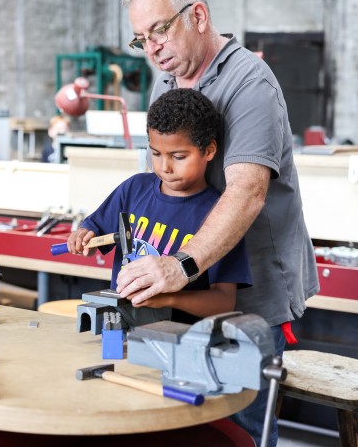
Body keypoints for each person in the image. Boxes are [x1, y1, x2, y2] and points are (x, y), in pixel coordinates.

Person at [117, 0, 319, 446]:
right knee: (182, 423)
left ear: (199, 16)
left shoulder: (250, 83)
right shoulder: (165, 83)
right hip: (191, 287)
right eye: (140, 39)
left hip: (249, 297)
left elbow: (247, 191)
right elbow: (162, 177)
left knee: (242, 429)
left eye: (159, 30)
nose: (152, 48)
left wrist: (180, 264)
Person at [67, 88, 251, 323]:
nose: (165, 166)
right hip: (120, 327)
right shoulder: (133, 190)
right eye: (155, 153)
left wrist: (168, 298)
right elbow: (93, 234)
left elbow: (224, 301)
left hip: (178, 341)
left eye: (178, 156)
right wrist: (83, 237)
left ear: (209, 150)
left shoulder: (221, 216)